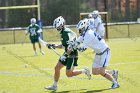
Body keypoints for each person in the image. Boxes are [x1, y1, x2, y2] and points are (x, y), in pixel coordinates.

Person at [44, 16, 91, 90]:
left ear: (62, 25)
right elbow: (64, 46)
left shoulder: (66, 32)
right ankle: (55, 86)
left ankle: (85, 70)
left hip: (72, 55)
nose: (57, 29)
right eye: (57, 27)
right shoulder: (63, 32)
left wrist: (65, 55)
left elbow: (71, 47)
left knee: (69, 74)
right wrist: (53, 46)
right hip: (67, 53)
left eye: (58, 27)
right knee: (57, 68)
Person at [72, 19, 119, 89]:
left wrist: (75, 47)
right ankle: (113, 72)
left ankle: (115, 83)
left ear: (85, 27)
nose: (80, 31)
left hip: (104, 52)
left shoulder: (89, 34)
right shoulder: (85, 33)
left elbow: (82, 49)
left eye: (81, 29)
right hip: (98, 53)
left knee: (101, 71)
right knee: (94, 71)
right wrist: (72, 45)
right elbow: (77, 41)